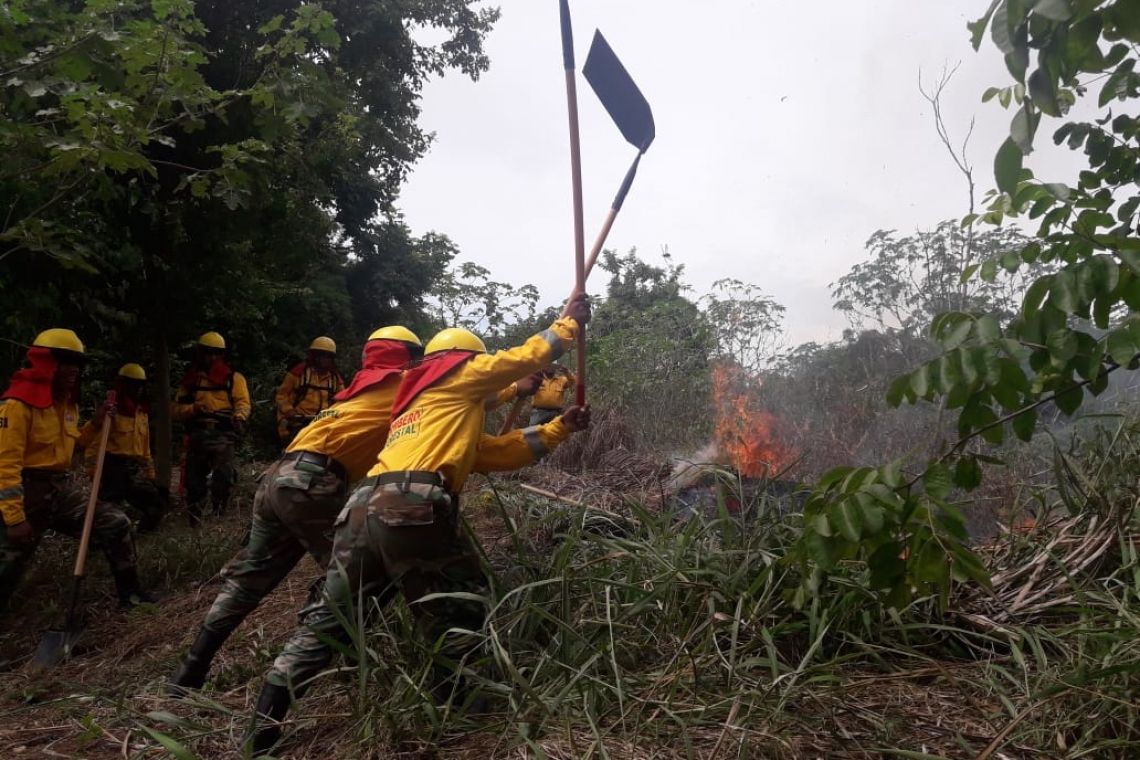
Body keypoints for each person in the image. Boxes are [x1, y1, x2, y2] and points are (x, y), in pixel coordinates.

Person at [246, 295, 591, 755]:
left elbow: (494, 452)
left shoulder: (424, 405)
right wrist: (568, 324)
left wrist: (559, 427)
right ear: (466, 359)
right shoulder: (457, 372)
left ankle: (262, 729)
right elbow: (522, 359)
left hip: (361, 508)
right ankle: (465, 720)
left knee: (333, 619)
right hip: (412, 503)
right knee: (461, 604)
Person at [168, 326, 422, 695]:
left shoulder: (356, 389)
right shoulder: (406, 385)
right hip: (312, 482)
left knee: (250, 578)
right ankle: (321, 655)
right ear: (411, 358)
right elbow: (456, 393)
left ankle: (191, 669)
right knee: (358, 574)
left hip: (280, 476)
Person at [0, 329, 157, 612]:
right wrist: (14, 519)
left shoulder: (66, 404)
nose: (74, 370)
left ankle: (132, 596)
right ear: (48, 363)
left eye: (78, 364)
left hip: (58, 491)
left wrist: (95, 423)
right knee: (8, 568)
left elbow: (72, 448)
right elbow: (5, 465)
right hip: (24, 495)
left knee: (116, 522)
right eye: (67, 362)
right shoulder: (17, 405)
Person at [171, 331, 251, 526]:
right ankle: (195, 518)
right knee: (194, 479)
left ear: (221, 355)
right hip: (197, 434)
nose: (212, 358)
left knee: (223, 475)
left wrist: (239, 417)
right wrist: (194, 409)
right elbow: (176, 410)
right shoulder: (191, 380)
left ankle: (218, 512)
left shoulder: (234, 379)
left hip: (222, 434)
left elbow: (243, 403)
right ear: (201, 353)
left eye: (216, 353)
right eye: (208, 353)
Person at [83, 363, 166, 533]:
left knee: (157, 504)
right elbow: (93, 446)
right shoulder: (111, 413)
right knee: (109, 512)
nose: (138, 390)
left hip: (132, 469)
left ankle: (142, 535)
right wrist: (95, 474)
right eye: (134, 385)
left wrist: (151, 476)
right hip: (112, 468)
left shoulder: (142, 414)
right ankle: (98, 541)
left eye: (141, 385)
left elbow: (145, 450)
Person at [275, 337, 345, 445]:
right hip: (298, 422)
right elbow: (281, 395)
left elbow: (343, 402)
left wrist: (335, 415)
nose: (325, 359)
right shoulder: (297, 374)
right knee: (293, 446)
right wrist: (288, 410)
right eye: (321, 355)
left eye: (328, 356)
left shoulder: (335, 380)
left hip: (322, 424)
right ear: (314, 355)